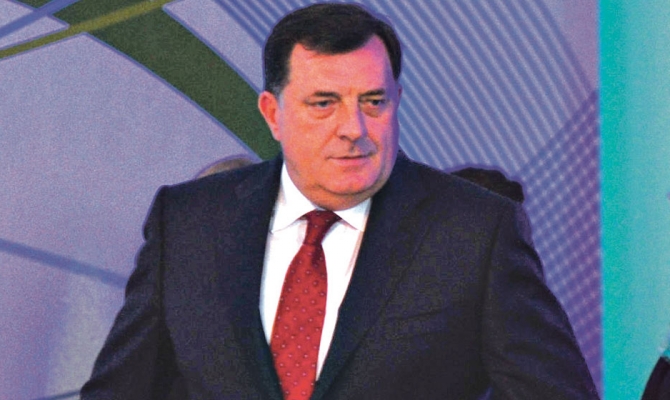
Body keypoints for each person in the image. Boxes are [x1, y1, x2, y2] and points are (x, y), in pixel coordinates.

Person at [80, 3, 599, 399]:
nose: (354, 129)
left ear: (397, 100)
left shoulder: (474, 231)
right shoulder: (188, 222)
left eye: (373, 102)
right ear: (273, 113)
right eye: (324, 103)